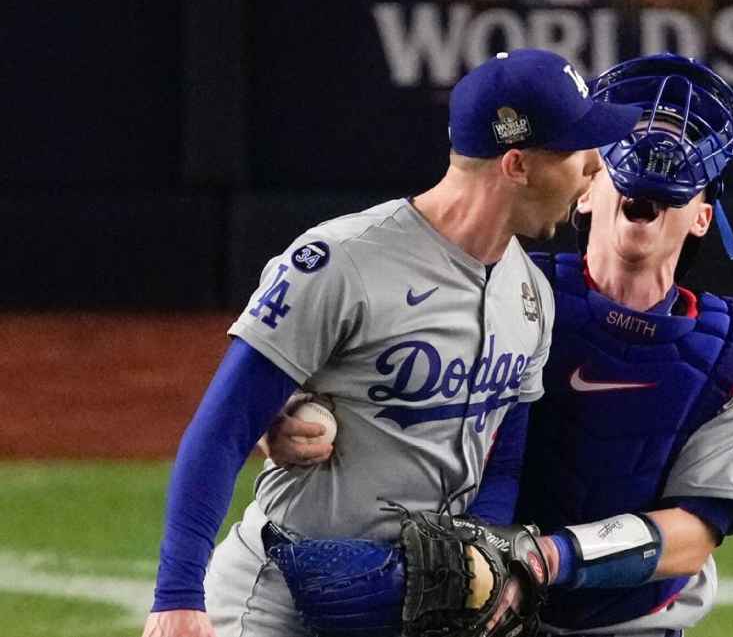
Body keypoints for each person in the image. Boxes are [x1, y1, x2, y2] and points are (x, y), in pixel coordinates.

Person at [269, 54, 733, 637]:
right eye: (633, 148)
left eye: (676, 154)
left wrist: (544, 559)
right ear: (584, 189)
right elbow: (359, 363)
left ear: (704, 218)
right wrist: (291, 412)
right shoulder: (500, 292)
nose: (656, 158)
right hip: (468, 608)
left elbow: (693, 536)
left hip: (626, 625)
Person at [141, 48, 642, 637]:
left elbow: (503, 454)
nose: (593, 170)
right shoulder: (340, 263)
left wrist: (483, 565)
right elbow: (224, 427)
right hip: (277, 599)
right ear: (516, 164)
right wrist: (178, 594)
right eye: (577, 150)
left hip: (412, 608)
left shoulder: (532, 293)